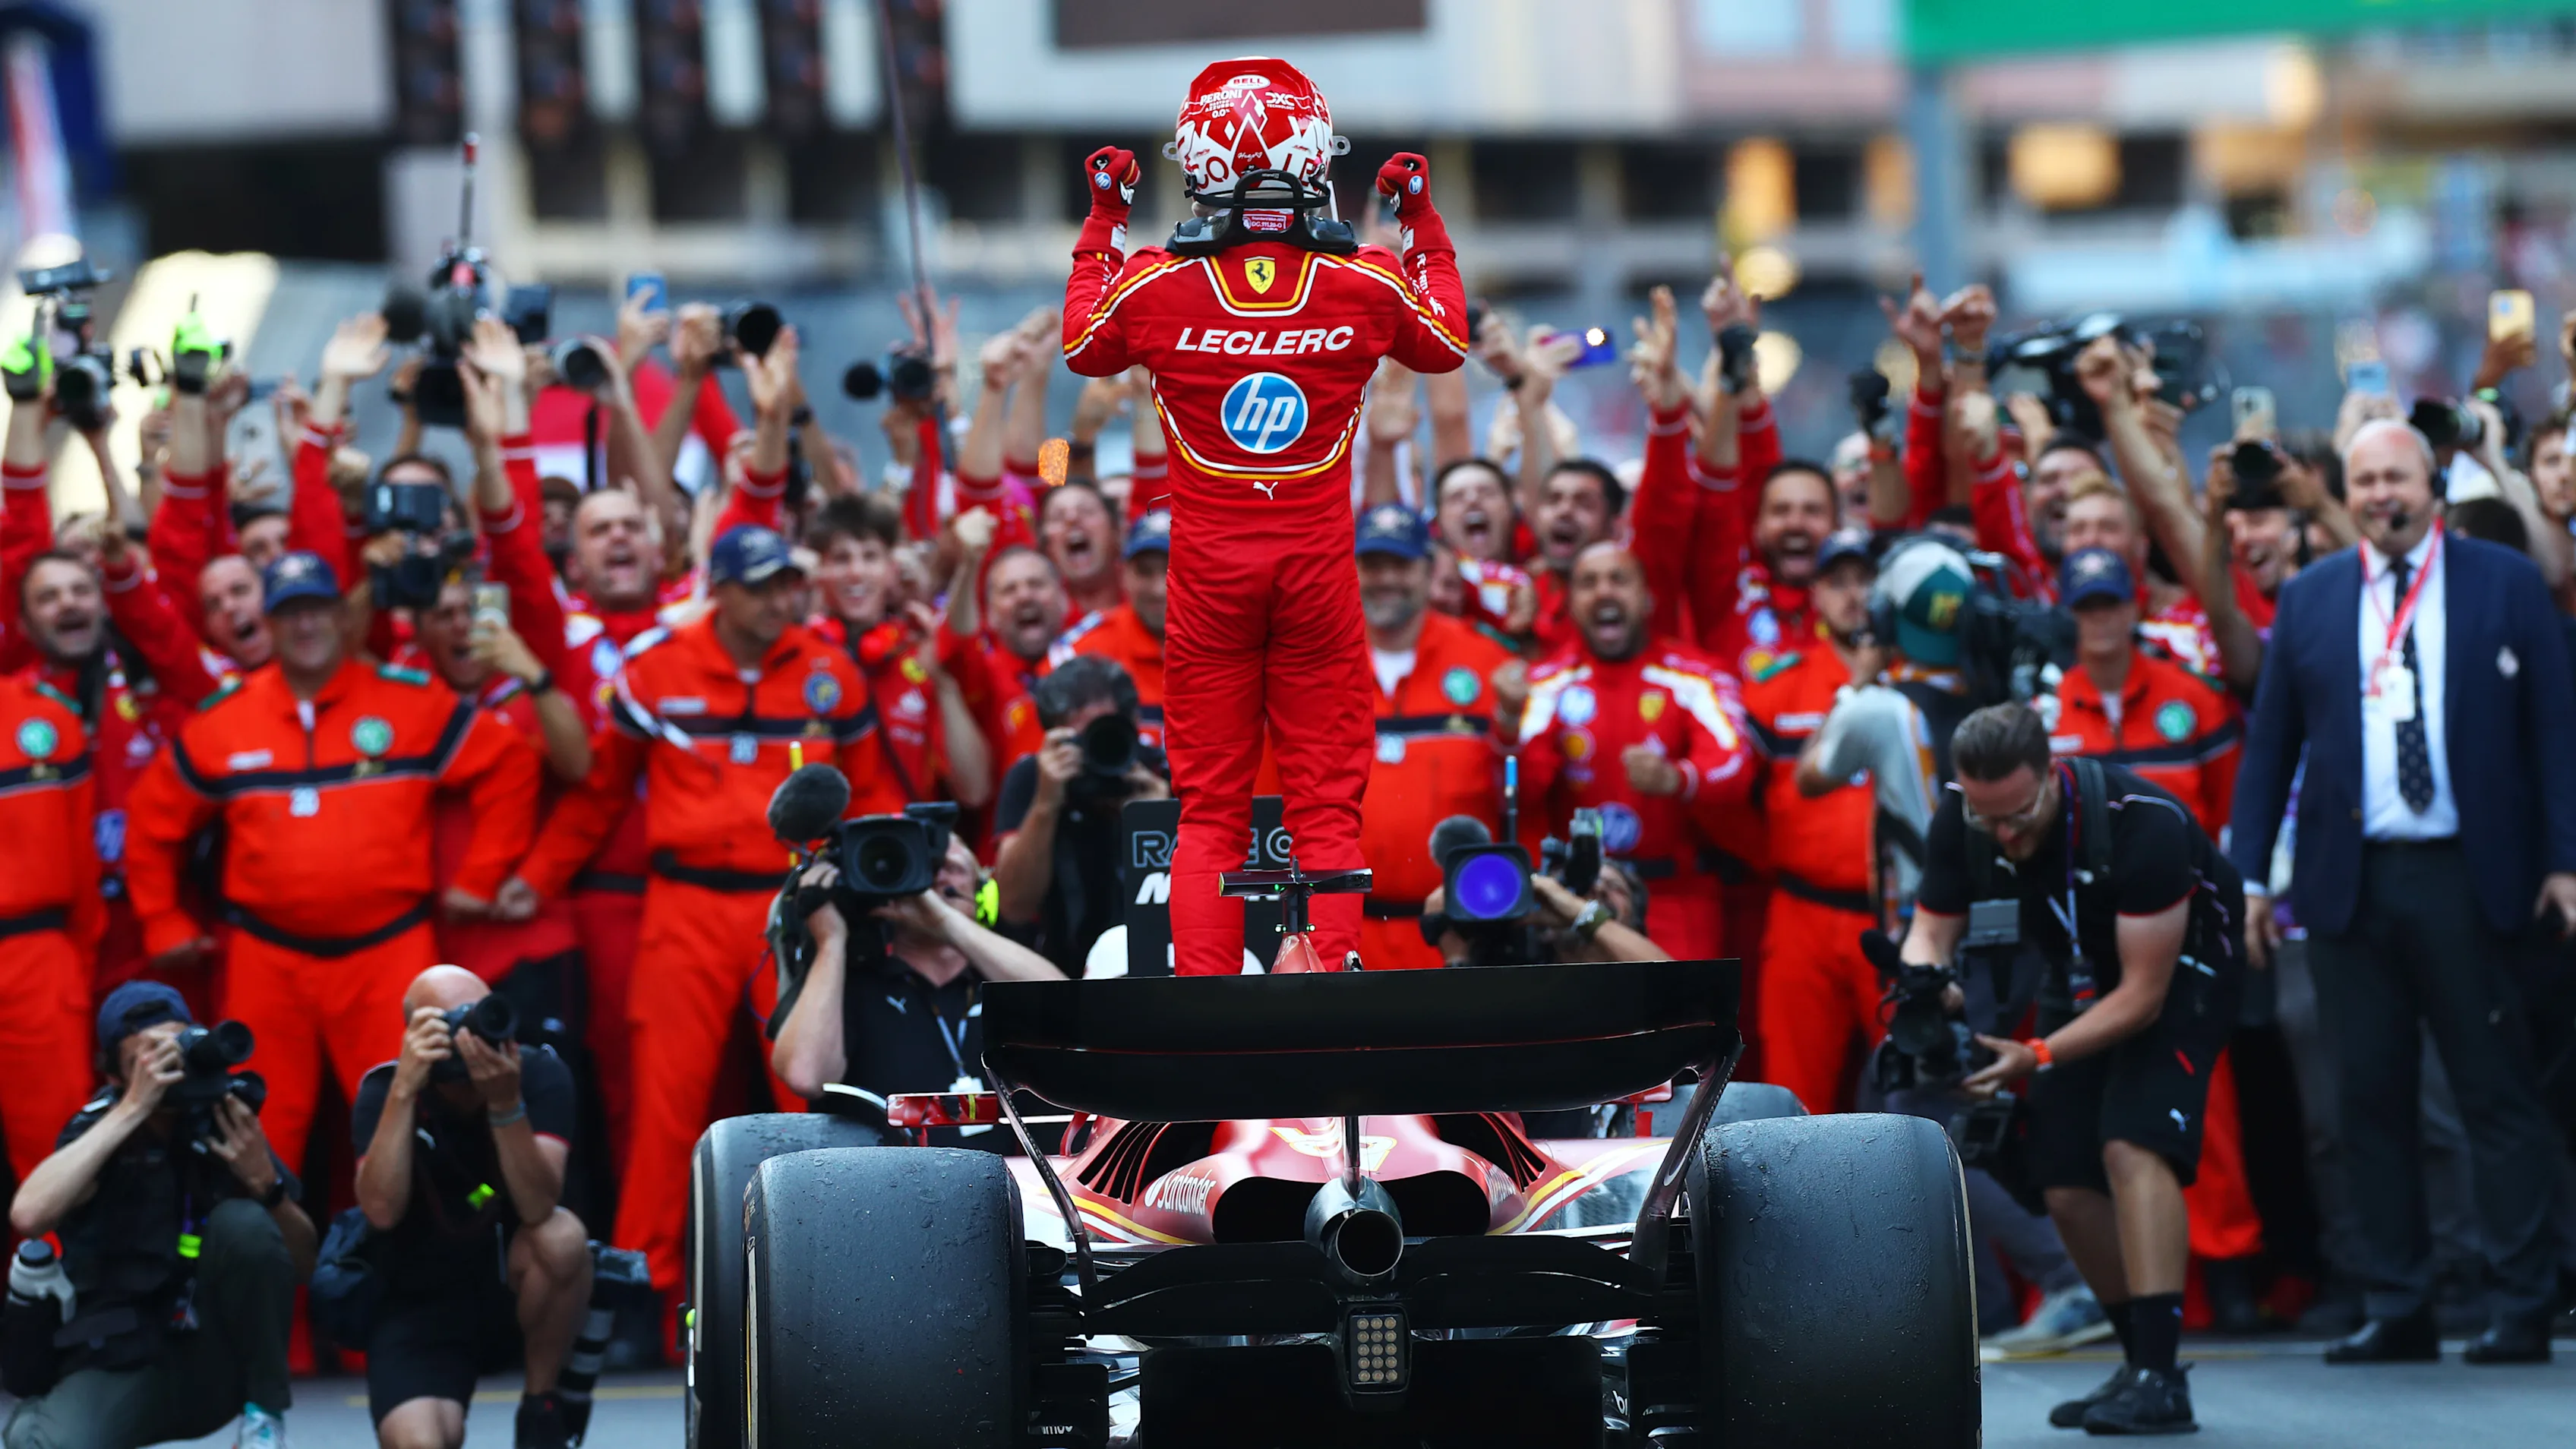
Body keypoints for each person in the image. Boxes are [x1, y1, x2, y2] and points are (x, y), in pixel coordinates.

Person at [1060, 56, 1468, 976]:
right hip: (1318, 582)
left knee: (1207, 808)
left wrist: (1102, 217)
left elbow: (1081, 345)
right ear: (1315, 154)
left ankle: (1210, 1018)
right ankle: (1321, 994)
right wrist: (1420, 224)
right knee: (1324, 809)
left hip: (1207, 586)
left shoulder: (1153, 285)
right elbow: (1445, 341)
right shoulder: (1364, 282)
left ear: (1198, 162)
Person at [2230, 417, 2576, 1365]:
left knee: (2491, 1094)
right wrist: (2252, 876)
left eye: (2396, 478)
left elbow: (2555, 731)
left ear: (2430, 484)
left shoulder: (2503, 582)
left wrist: (2564, 860)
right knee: (2366, 1102)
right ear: (2345, 493)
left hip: (2472, 876)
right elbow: (2271, 750)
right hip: (2349, 883)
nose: (2381, 495)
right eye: (2364, 480)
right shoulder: (2307, 598)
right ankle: (2397, 1301)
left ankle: (2519, 1303)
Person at [497, 523, 898, 1311]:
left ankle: (829, 1276)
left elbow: (873, 794)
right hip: (681, 907)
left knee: (812, 1096)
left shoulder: (829, 672)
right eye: (761, 585)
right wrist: (536, 877)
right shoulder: (654, 673)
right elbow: (600, 795)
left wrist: (890, 891)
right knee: (664, 1105)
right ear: (718, 590)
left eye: (787, 582)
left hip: (792, 902)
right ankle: (649, 1292)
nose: (780, 598)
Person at [124, 551, 541, 1176]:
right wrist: (162, 920)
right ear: (269, 623)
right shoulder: (224, 721)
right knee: (254, 1130)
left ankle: (403, 1272)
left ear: (344, 619)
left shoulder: (406, 703)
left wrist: (482, 876)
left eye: (319, 610)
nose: (307, 626)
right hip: (269, 959)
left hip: (388, 952)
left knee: (406, 1126)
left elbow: (510, 764)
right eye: (290, 613)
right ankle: (273, 1270)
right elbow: (152, 822)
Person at [1913, 703, 2244, 1434]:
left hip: (2182, 972)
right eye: (1985, 818)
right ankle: (2138, 1364)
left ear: (2054, 773)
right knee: (2062, 1178)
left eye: (2019, 815)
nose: (2003, 835)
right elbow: (1929, 930)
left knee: (2131, 1142)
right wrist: (1924, 990)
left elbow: (2143, 997)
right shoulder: (1963, 820)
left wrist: (2034, 1054)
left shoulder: (2143, 822)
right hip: (2080, 970)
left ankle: (2163, 1377)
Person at [5, 983, 315, 1449]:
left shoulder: (222, 1118)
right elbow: (29, 1214)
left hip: (212, 1364)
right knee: (52, 1443)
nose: (168, 1069)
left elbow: (306, 1261)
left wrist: (267, 1188)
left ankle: (264, 1419)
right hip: (121, 1362)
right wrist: (133, 1107)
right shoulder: (99, 1130)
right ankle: (37, 1422)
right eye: (147, 1061)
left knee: (245, 1224)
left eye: (176, 1049)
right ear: (114, 1076)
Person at [352, 967, 591, 1449]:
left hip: (512, 1290)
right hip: (420, 1307)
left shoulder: (537, 1074)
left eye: (478, 1015)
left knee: (562, 1236)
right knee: (420, 1443)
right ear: (414, 1034)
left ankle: (541, 1405)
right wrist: (405, 1089)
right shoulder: (385, 1090)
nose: (467, 1034)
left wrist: (505, 1105)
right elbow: (379, 1210)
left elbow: (538, 1205)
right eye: (447, 1023)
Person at [1515, 543, 1754, 960]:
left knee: (1685, 1022)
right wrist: (1504, 721)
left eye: (1619, 580)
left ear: (1647, 599)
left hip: (1677, 900)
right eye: (1588, 583)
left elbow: (1736, 765)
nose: (1604, 592)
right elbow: (1522, 787)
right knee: (1585, 1027)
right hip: (1575, 898)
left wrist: (1676, 778)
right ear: (1570, 604)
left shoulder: (1697, 676)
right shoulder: (1543, 683)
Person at [1741, 529, 1882, 1113]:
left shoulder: (1926, 678)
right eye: (1838, 582)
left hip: (1898, 920)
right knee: (1796, 1106)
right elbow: (1733, 804)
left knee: (1922, 1096)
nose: (1854, 596)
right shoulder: (1778, 686)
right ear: (1816, 594)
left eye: (1867, 581)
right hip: (1802, 914)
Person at [770, 838, 1066, 1115]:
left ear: (982, 894)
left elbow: (1069, 1014)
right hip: (886, 1171)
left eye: (951, 868)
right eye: (924, 868)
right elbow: (806, 1075)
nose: (934, 881)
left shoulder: (1008, 982)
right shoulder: (848, 987)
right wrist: (831, 940)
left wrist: (945, 922)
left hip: (1009, 1170)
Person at [1348, 504, 1522, 969]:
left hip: (1464, 935)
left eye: (1401, 565)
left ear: (1430, 572)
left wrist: (1512, 721)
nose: (1386, 579)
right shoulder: (1312, 665)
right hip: (1342, 936)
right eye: (1372, 565)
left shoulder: (1488, 662)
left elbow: (1533, 788)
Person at [990, 656, 1170, 977]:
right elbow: (1014, 906)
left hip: (1158, 970)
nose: (1095, 752)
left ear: (1133, 722)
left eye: (1107, 734)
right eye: (1081, 741)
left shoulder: (1159, 775)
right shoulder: (1032, 779)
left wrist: (1160, 821)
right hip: (1062, 977)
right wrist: (1046, 803)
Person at [0, 671, 100, 1182]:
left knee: (55, 1152)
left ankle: (53, 1265)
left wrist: (75, 968)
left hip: (35, 955)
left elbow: (84, 868)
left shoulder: (48, 719)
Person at [1049, 511, 1170, 749]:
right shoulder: (1081, 651)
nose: (1159, 590)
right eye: (1145, 572)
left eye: (1172, 569)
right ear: (1123, 574)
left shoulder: (1233, 645)